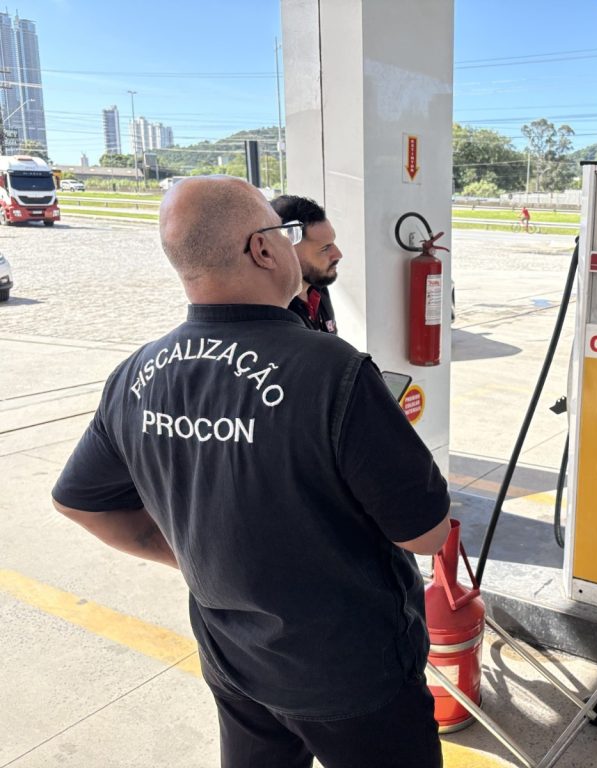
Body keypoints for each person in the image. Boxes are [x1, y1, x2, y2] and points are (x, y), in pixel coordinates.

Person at [51, 176, 451, 768]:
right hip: (352, 674)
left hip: (234, 664)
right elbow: (426, 533)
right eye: (285, 234)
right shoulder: (332, 371)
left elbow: (79, 502)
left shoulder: (135, 374)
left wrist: (195, 558)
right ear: (262, 249)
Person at [271, 194, 342, 334]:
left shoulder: (317, 287)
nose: (338, 254)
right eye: (325, 248)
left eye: (333, 242)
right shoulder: (274, 311)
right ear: (288, 251)